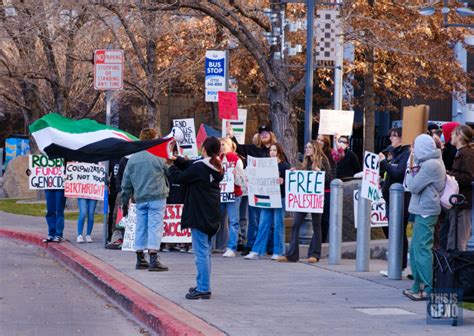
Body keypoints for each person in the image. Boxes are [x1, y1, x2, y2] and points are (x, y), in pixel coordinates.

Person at [171, 137, 223, 300]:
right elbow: (191, 165)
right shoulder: (215, 167)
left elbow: (180, 178)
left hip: (199, 214)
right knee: (205, 252)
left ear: (204, 149)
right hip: (211, 215)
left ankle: (203, 288)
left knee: (200, 254)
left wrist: (171, 167)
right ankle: (202, 284)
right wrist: (177, 159)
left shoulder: (200, 167)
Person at [403, 134, 446, 301]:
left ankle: (427, 288)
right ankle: (417, 285)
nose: (413, 150)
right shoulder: (429, 163)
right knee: (415, 249)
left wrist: (411, 170)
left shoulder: (431, 165)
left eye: (415, 147)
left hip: (426, 210)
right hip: (423, 209)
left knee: (422, 249)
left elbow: (412, 186)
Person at [121, 128, 169, 272]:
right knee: (155, 226)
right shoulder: (158, 156)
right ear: (153, 138)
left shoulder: (133, 159)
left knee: (141, 226)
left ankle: (140, 257)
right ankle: (153, 257)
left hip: (140, 197)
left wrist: (125, 201)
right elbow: (168, 171)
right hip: (157, 195)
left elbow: (126, 182)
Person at [227, 124, 279, 255]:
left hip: (271, 190)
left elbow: (284, 164)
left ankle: (270, 246)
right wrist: (231, 136)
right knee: (253, 218)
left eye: (266, 132)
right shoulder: (254, 149)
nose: (264, 135)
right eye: (261, 133)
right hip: (256, 190)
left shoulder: (277, 150)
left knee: (271, 219)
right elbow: (239, 148)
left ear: (271, 134)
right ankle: (250, 244)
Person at [278, 140, 332, 263]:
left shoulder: (323, 162)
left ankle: (315, 254)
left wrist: (321, 174)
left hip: (316, 198)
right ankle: (291, 255)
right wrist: (293, 174)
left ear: (315, 149)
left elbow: (329, 179)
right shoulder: (305, 163)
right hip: (304, 199)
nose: (307, 149)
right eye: (306, 147)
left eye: (309, 147)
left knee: (317, 225)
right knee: (295, 224)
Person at [245, 143, 290, 260]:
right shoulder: (265, 165)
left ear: (279, 152)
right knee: (263, 223)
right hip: (267, 197)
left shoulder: (284, 166)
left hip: (280, 198)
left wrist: (283, 180)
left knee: (278, 224)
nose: (272, 152)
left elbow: (290, 181)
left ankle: (278, 251)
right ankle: (257, 250)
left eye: (275, 150)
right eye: (271, 150)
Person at [378, 127, 411, 275]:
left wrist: (385, 163)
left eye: (394, 136)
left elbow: (398, 174)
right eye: (390, 136)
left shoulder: (405, 154)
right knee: (394, 231)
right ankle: (397, 264)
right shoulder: (396, 154)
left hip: (400, 201)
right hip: (391, 199)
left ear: (402, 139)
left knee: (398, 232)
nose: (391, 138)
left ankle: (398, 265)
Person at [445, 125, 473, 251]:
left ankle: (458, 268)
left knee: (459, 240)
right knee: (454, 238)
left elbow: (468, 177)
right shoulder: (461, 153)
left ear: (460, 136)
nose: (450, 136)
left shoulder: (467, 154)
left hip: (462, 201)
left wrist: (449, 174)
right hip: (457, 201)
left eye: (453, 134)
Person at [219, 138, 245, 257]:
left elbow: (241, 182)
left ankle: (231, 247)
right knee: (216, 220)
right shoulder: (216, 159)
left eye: (224, 144)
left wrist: (235, 176)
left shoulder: (236, 160)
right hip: (219, 194)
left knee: (233, 221)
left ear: (230, 146)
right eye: (220, 145)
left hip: (233, 194)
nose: (221, 147)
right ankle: (217, 245)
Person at [316, 134, 336, 243]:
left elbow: (331, 176)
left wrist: (321, 173)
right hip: (315, 191)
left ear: (326, 143)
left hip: (326, 190)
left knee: (325, 219)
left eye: (321, 140)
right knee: (316, 219)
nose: (319, 142)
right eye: (318, 139)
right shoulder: (312, 155)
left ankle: (322, 241)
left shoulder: (329, 156)